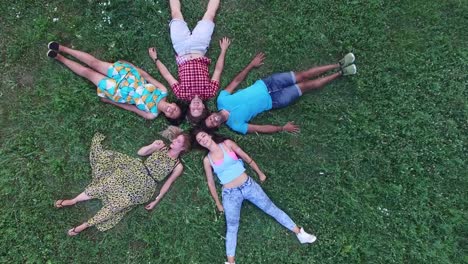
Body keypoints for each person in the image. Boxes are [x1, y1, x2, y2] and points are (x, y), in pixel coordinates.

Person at [193, 129, 316, 264]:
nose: (203, 140)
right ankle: (230, 261)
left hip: (248, 185)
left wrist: (260, 172)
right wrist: (218, 203)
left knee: (271, 208)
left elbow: (245, 156)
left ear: (209, 135)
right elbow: (211, 183)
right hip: (230, 194)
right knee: (232, 226)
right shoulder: (207, 160)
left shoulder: (227, 144)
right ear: (200, 144)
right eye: (199, 140)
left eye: (203, 136)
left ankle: (299, 233)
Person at [54, 132, 190, 236]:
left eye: (178, 141)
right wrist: (153, 145)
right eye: (175, 138)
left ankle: (86, 225)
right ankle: (74, 200)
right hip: (135, 170)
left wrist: (156, 200)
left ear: (183, 148)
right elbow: (141, 152)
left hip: (146, 186)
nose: (173, 140)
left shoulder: (178, 166)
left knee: (117, 205)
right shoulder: (162, 148)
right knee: (106, 184)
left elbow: (168, 183)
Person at [204, 52, 357, 134]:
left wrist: (251, 65)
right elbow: (260, 128)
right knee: (306, 86)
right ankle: (341, 73)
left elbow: (236, 81)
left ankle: (339, 63)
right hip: (276, 100)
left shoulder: (221, 100)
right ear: (217, 126)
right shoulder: (235, 125)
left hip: (267, 83)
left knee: (302, 75)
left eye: (210, 119)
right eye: (212, 124)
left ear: (211, 114)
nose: (213, 120)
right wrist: (282, 128)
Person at [46, 41, 183, 123]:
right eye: (174, 109)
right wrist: (131, 66)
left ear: (166, 115)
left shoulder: (151, 114)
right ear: (173, 103)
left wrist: (110, 101)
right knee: (95, 63)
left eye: (171, 113)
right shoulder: (163, 90)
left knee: (88, 73)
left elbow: (130, 107)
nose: (170, 110)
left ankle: (59, 58)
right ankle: (63, 48)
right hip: (127, 75)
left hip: (118, 92)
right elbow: (147, 76)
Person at [148, 0, 228, 125]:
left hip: (181, 48)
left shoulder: (181, 93)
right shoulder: (210, 92)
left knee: (175, 14)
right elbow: (218, 70)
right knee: (210, 15)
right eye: (199, 110)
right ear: (203, 108)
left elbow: (167, 76)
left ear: (189, 108)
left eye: (193, 110)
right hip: (199, 46)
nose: (196, 107)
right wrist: (223, 50)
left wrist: (155, 59)